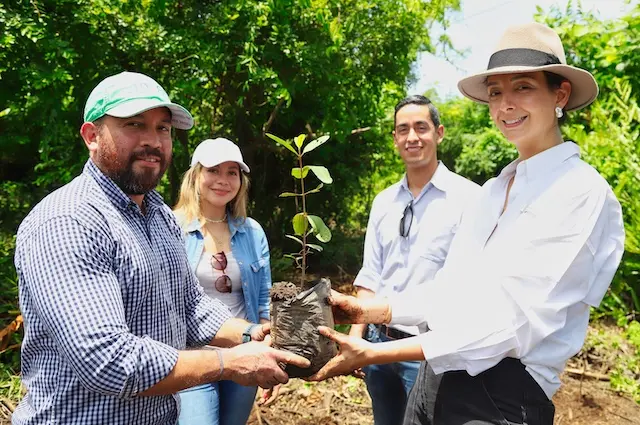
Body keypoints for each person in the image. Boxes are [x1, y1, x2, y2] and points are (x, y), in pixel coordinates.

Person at [309, 22, 625, 425]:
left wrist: (377, 353)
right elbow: (451, 292)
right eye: (495, 92)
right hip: (435, 374)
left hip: (500, 396)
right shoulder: (495, 190)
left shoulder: (579, 192)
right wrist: (367, 310)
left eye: (523, 87)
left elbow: (509, 327)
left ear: (559, 93)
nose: (505, 105)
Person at [12, 71, 309, 425]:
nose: (152, 140)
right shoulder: (69, 221)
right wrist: (228, 363)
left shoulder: (160, 218)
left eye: (163, 128)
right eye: (135, 124)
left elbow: (190, 307)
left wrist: (250, 333)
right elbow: (108, 362)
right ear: (92, 136)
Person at [349, 95, 479, 425]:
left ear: (439, 132)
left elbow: (469, 286)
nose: (412, 137)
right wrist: (355, 337)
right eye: (402, 129)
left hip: (431, 350)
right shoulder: (384, 202)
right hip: (379, 343)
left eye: (421, 127)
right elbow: (371, 274)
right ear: (394, 138)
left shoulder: (469, 199)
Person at [173, 137, 275, 425]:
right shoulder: (171, 227)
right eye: (213, 170)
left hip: (245, 354)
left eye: (232, 172)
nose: (223, 180)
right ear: (196, 176)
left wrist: (271, 351)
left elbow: (266, 301)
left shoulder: (252, 232)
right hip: (190, 357)